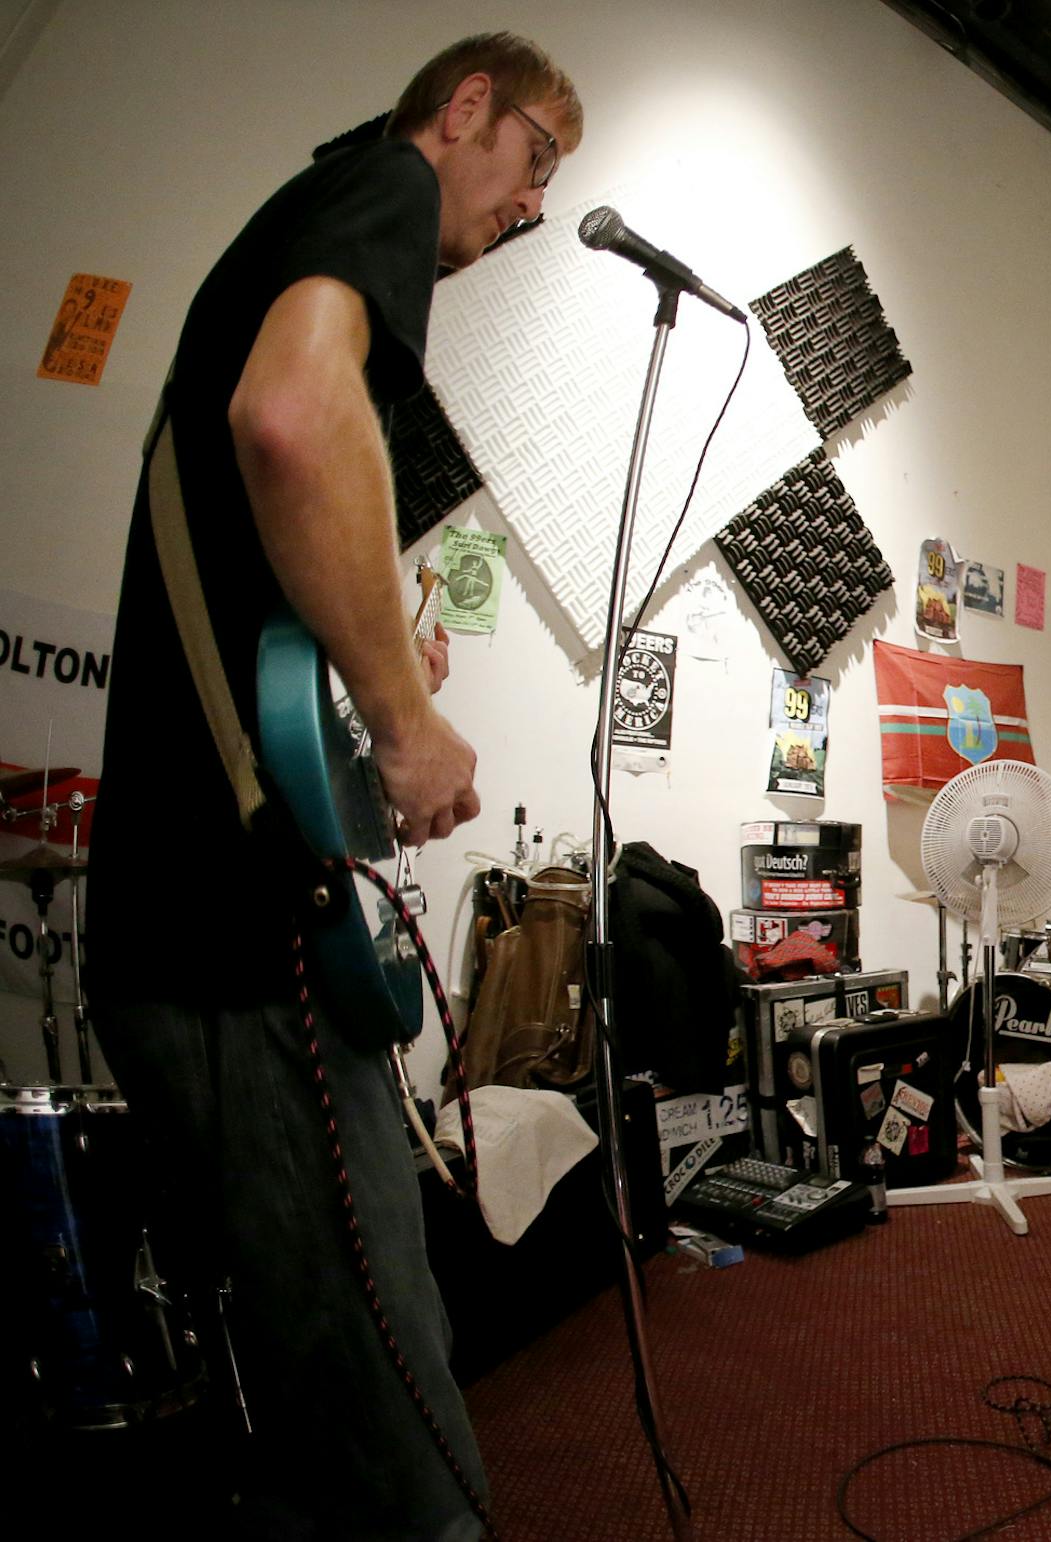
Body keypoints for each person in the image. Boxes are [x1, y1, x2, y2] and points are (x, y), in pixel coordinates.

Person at [86, 35, 581, 1537]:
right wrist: (407, 716)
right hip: (226, 934)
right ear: (468, 109)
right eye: (539, 158)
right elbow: (295, 418)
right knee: (381, 1384)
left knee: (313, 1365)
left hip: (200, 923)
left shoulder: (301, 217)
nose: (535, 205)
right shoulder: (379, 183)